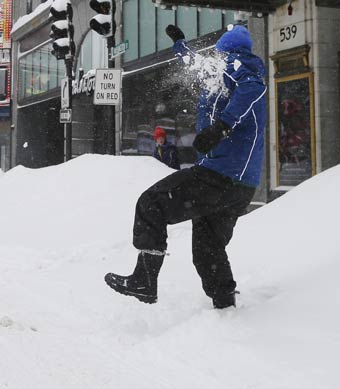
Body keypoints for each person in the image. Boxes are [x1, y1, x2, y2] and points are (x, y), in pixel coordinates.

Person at [104, 24, 267, 309]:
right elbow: (197, 65)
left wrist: (223, 126)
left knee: (151, 203)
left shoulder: (239, 66)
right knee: (207, 250)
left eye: (219, 52)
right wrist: (180, 45)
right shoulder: (223, 71)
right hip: (240, 186)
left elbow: (253, 88)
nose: (214, 58)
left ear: (228, 51)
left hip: (222, 176)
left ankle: (144, 280)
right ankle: (226, 306)